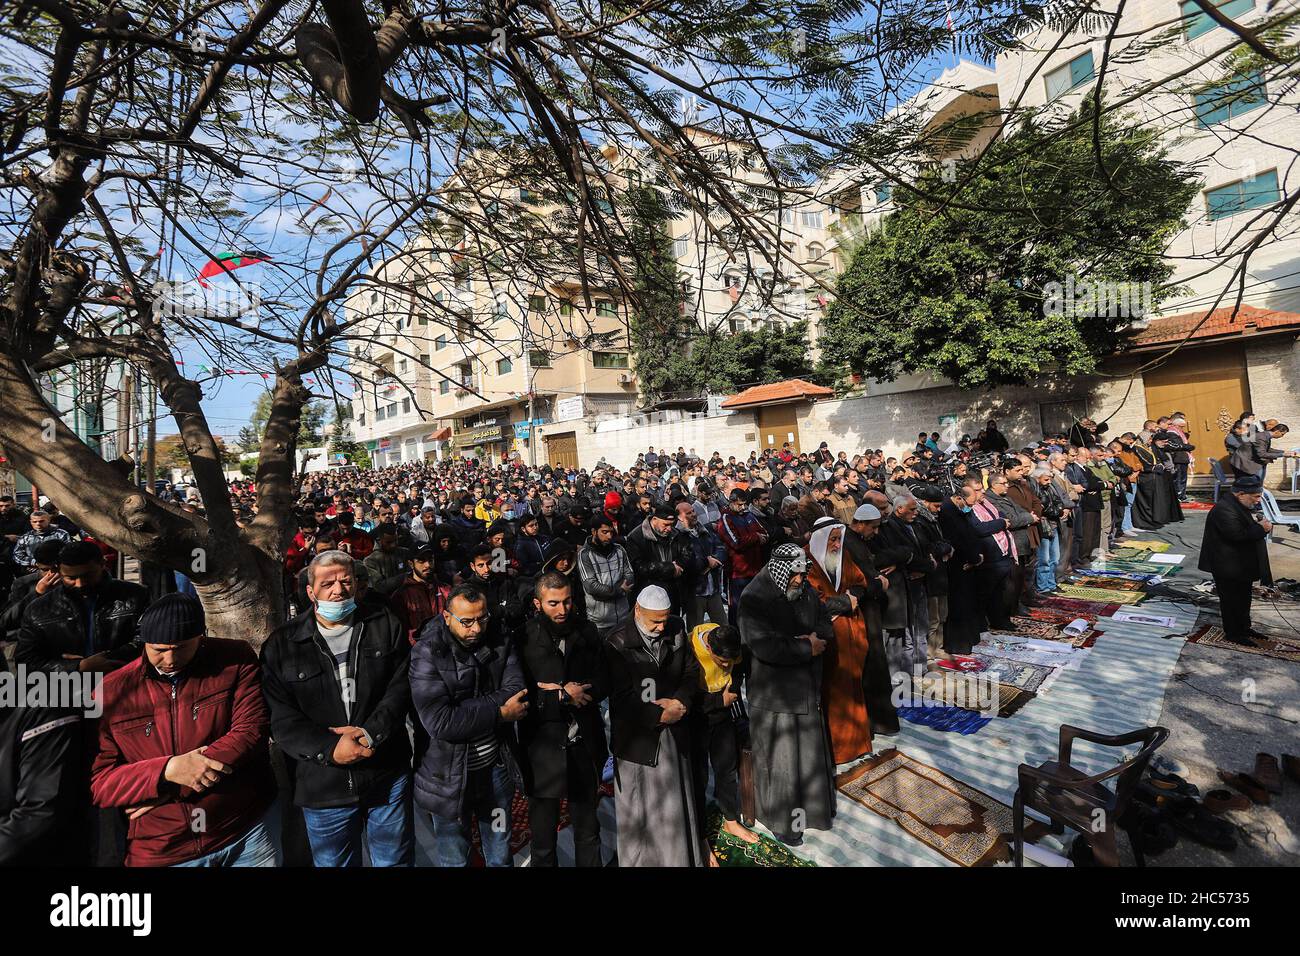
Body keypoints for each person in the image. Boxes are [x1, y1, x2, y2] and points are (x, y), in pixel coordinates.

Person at [90, 594, 278, 866]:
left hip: (243, 827)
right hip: (162, 846)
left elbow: (251, 732)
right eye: (159, 649)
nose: (169, 659)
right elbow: (100, 783)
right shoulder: (110, 693)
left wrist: (175, 784)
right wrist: (167, 770)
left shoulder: (235, 659)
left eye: (180, 648)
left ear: (201, 637)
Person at [260, 550, 414, 867]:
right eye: (327, 583)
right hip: (322, 784)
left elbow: (401, 688)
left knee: (395, 859)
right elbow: (281, 717)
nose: (338, 590)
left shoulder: (384, 624)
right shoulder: (284, 644)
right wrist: (330, 748)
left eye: (346, 581)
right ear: (310, 591)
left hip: (385, 772)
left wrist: (371, 733)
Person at [409, 583, 527, 867]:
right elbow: (440, 722)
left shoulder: (498, 636)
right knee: (455, 857)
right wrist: (498, 713)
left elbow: (517, 690)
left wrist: (465, 711)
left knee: (500, 852)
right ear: (447, 617)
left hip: (495, 770)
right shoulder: (428, 652)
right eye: (467, 621)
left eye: (482, 619)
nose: (476, 629)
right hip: (447, 778)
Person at [737, 544, 836, 847]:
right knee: (781, 764)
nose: (799, 580)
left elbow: (822, 620)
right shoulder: (754, 597)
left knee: (806, 758)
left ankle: (813, 814)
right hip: (774, 693)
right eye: (794, 575)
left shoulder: (802, 586)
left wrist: (815, 638)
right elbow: (764, 646)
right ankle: (784, 824)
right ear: (781, 569)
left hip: (804, 686)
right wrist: (805, 647)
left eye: (802, 574)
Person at [604, 585, 705, 867]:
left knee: (673, 805)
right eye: (654, 621)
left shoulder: (676, 628)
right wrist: (657, 715)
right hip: (637, 740)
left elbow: (690, 672)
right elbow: (620, 697)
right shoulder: (616, 642)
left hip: (674, 728)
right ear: (637, 611)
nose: (661, 627)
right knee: (641, 811)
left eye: (664, 619)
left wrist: (680, 704)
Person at [517, 573, 608, 867]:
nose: (562, 609)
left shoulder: (588, 632)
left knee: (588, 832)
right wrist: (558, 696)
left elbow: (605, 679)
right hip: (541, 750)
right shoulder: (523, 638)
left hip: (584, 743)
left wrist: (579, 691)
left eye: (567, 601)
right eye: (553, 603)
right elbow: (518, 693)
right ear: (537, 603)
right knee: (543, 840)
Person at [16, 540, 149, 674]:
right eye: (71, 578)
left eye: (87, 576)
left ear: (103, 564)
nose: (80, 584)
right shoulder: (37, 609)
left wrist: (105, 660)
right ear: (59, 571)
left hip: (123, 681)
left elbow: (147, 640)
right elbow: (25, 660)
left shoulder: (137, 596)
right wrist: (75, 666)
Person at [804, 518, 873, 765]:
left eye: (838, 539)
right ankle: (838, 749)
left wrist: (853, 596)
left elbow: (860, 583)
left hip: (852, 633)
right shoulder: (807, 561)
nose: (836, 544)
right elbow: (811, 599)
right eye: (832, 539)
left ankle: (858, 743)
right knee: (834, 691)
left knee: (853, 686)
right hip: (828, 636)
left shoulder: (843, 557)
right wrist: (845, 602)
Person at [686, 622, 758, 851]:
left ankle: (730, 820)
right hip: (696, 718)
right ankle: (699, 837)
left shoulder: (730, 641)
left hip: (724, 715)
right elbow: (685, 695)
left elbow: (739, 669)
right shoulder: (690, 649)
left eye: (729, 660)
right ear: (708, 647)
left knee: (727, 768)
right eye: (721, 661)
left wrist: (733, 690)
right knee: (699, 777)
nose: (726, 665)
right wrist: (718, 700)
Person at [1198, 475, 1273, 646]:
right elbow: (1238, 535)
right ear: (1240, 494)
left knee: (1243, 598)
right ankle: (1233, 633)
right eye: (1255, 497)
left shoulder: (1237, 505)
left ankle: (1244, 628)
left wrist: (1258, 525)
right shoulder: (1224, 509)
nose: (1258, 501)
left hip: (1239, 563)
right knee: (1231, 600)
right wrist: (1262, 528)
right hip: (1226, 564)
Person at [577, 514, 634, 637]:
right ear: (593, 531)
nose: (609, 536)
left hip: (623, 615)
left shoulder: (619, 550)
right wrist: (619, 590)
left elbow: (629, 574)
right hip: (600, 622)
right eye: (604, 532)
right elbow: (591, 586)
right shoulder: (585, 555)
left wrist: (619, 589)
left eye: (611, 532)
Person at [717, 488, 767, 625]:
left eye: (744, 504)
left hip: (755, 569)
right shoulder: (726, 518)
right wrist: (755, 537)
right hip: (737, 573)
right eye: (739, 504)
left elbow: (765, 533)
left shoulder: (748, 515)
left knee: (755, 608)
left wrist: (755, 537)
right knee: (737, 609)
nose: (743, 507)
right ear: (731, 502)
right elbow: (736, 542)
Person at [677, 499, 727, 630]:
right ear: (680, 518)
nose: (693, 514)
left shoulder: (704, 530)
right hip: (695, 592)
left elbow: (720, 547)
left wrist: (715, 560)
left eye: (693, 511)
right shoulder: (678, 536)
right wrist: (706, 562)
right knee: (695, 630)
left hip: (713, 588)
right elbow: (687, 562)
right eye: (688, 513)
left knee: (722, 626)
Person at [10, 508, 71, 575]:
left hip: (56, 572)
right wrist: (34, 563)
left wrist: (49, 565)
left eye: (41, 521)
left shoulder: (61, 534)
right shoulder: (26, 537)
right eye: (35, 522)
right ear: (31, 522)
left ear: (49, 520)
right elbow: (17, 555)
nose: (38, 524)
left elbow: (67, 553)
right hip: (32, 572)